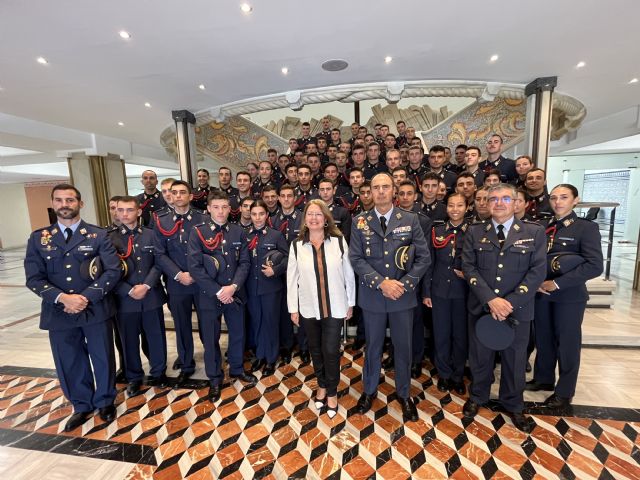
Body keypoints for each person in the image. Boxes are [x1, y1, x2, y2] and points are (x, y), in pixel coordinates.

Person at [25, 184, 120, 431]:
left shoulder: (98, 235)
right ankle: (82, 404)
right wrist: (62, 298)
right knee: (69, 360)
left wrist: (84, 297)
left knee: (102, 357)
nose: (64, 204)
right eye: (59, 200)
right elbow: (33, 278)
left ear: (80, 203)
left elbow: (113, 270)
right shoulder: (39, 238)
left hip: (94, 308)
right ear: (53, 203)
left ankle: (105, 400)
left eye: (70, 200)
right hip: (58, 312)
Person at [461, 183, 546, 433]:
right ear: (486, 203)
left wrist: (509, 303)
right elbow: (469, 267)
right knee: (480, 358)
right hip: (482, 307)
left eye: (505, 199)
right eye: (493, 199)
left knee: (515, 360)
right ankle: (478, 397)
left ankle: (514, 404)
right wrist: (491, 300)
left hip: (517, 311)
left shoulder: (533, 232)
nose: (499, 203)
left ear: (516, 202)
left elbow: (537, 271)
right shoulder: (475, 231)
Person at [349, 172, 430, 422]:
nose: (381, 191)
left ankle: (404, 394)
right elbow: (356, 258)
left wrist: (402, 285)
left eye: (386, 187)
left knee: (403, 348)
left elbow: (423, 258)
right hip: (373, 297)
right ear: (370, 192)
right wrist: (381, 283)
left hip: (402, 298)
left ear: (393, 191)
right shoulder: (359, 221)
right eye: (376, 187)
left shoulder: (410, 219)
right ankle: (369, 391)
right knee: (372, 347)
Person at [526, 184, 603, 411]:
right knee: (544, 338)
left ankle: (564, 391)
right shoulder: (544, 226)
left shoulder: (585, 228)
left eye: (564, 197)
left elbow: (594, 265)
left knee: (567, 344)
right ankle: (544, 378)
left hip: (568, 296)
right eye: (554, 198)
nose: (558, 202)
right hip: (541, 293)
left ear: (575, 200)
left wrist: (557, 283)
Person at [287, 200, 356, 419]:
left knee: (331, 351)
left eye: (318, 214)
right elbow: (292, 279)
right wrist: (293, 308)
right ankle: (322, 385)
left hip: (335, 307)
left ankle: (333, 391)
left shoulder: (338, 241)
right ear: (305, 219)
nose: (314, 218)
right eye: (310, 214)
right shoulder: (297, 246)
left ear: (326, 218)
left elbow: (349, 274)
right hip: (308, 308)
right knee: (315, 350)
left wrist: (350, 302)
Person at [187, 190, 257, 403]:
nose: (220, 211)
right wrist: (219, 290)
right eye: (216, 207)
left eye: (224, 207)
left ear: (230, 209)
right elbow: (195, 267)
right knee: (211, 339)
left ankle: (236, 369)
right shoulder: (197, 232)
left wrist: (233, 287)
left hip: (234, 295)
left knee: (238, 334)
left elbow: (245, 263)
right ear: (208, 208)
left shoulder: (238, 232)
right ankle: (215, 378)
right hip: (209, 296)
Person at [110, 196, 168, 396]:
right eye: (120, 210)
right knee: (129, 340)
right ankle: (134, 377)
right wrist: (128, 289)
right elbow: (107, 271)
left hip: (151, 296)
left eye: (129, 210)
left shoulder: (152, 235)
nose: (124, 214)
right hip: (124, 299)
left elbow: (159, 262)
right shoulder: (109, 238)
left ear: (138, 212)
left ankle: (159, 372)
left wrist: (147, 285)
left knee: (156, 337)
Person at [153, 180, 208, 384]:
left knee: (207, 324)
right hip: (177, 283)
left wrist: (196, 273)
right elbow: (159, 254)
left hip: (201, 282)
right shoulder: (160, 220)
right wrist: (178, 274)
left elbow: (210, 249)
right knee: (181, 325)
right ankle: (186, 364)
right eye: (174, 192)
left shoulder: (203, 218)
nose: (177, 196)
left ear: (190, 196)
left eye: (182, 192)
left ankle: (211, 360)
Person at [422, 193, 469, 394]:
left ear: (467, 207)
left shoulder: (474, 231)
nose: (455, 209)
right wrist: (426, 292)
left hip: (464, 292)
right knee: (441, 335)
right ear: (446, 208)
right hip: (439, 291)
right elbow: (428, 263)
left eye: (460, 205)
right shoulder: (437, 230)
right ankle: (444, 374)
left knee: (460, 336)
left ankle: (458, 375)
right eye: (451, 205)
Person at [245, 199, 289, 376]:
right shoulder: (245, 235)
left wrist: (275, 270)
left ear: (267, 215)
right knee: (257, 322)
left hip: (270, 287)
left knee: (270, 322)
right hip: (251, 287)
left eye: (261, 214)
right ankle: (261, 355)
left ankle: (271, 359)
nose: (257, 218)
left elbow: (288, 258)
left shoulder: (276, 235)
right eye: (254, 214)